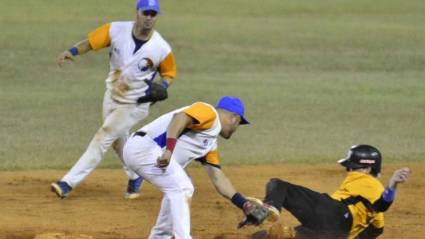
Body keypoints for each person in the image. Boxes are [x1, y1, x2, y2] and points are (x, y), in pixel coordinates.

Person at [51, 0, 177, 199]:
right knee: (119, 142)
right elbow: (90, 42)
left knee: (103, 136)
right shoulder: (116, 29)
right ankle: (136, 175)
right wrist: (71, 51)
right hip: (111, 96)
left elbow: (169, 73)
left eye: (153, 14)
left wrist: (163, 86)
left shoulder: (161, 47)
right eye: (146, 13)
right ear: (137, 12)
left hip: (136, 103)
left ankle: (68, 183)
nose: (149, 18)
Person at [123, 96, 277, 239]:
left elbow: (217, 177)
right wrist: (169, 150)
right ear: (234, 118)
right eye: (238, 124)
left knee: (177, 187)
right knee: (183, 187)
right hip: (144, 148)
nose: (236, 128)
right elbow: (180, 118)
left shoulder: (210, 143)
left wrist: (244, 204)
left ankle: (160, 236)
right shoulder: (209, 113)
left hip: (149, 154)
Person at [245, 144, 410, 239]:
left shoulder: (372, 184)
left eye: (354, 167)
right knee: (264, 236)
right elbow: (377, 229)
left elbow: (383, 204)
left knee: (278, 185)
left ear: (368, 168)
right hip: (332, 233)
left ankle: (270, 209)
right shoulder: (367, 193)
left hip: (333, 211)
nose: (350, 171)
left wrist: (392, 185)